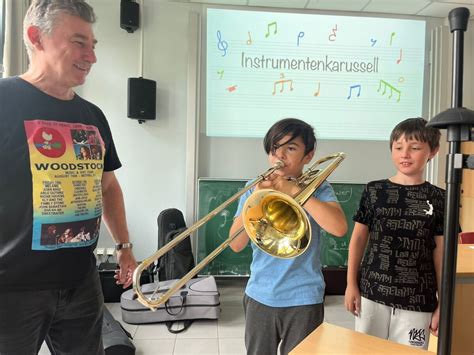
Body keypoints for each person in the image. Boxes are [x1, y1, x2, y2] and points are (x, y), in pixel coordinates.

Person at [0, 1, 137, 354]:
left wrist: (124, 248)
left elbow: (107, 186)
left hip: (82, 281)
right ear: (36, 37)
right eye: (79, 42)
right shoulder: (3, 101)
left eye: (93, 46)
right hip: (12, 289)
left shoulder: (93, 116)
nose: (91, 57)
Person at [229, 118, 348, 355]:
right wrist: (255, 198)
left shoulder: (319, 188)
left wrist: (296, 191)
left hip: (304, 298)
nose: (279, 156)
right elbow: (235, 244)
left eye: (290, 148)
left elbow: (339, 228)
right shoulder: (253, 187)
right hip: (259, 295)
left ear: (308, 156)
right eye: (274, 148)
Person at [344, 117, 444, 350]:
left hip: (418, 298)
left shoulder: (440, 198)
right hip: (371, 292)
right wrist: (351, 284)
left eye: (415, 147)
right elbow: (358, 239)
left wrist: (443, 303)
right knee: (365, 351)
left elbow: (441, 254)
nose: (405, 154)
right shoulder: (374, 190)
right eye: (398, 147)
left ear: (433, 151)